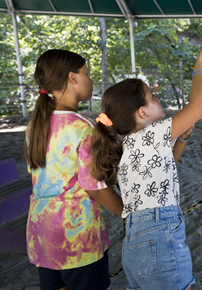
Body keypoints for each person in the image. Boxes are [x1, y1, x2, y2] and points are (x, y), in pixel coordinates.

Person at [91, 43, 202, 290]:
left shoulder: (130, 144)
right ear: (143, 113)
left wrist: (183, 134)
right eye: (153, 97)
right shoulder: (155, 133)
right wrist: (200, 66)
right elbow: (200, 104)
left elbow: (169, 161)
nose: (158, 99)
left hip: (134, 240)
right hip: (160, 231)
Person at [25, 49, 124, 290]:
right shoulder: (83, 128)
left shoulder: (34, 127)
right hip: (78, 238)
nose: (90, 80)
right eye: (87, 73)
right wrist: (128, 213)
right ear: (72, 77)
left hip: (42, 235)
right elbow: (96, 188)